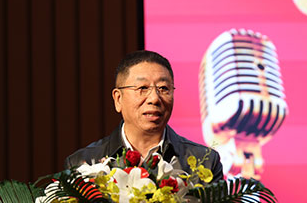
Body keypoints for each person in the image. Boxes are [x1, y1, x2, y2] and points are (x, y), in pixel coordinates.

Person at [64, 50, 223, 180]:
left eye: (163, 88)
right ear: (118, 99)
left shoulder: (206, 162)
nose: (154, 99)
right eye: (142, 88)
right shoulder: (83, 164)